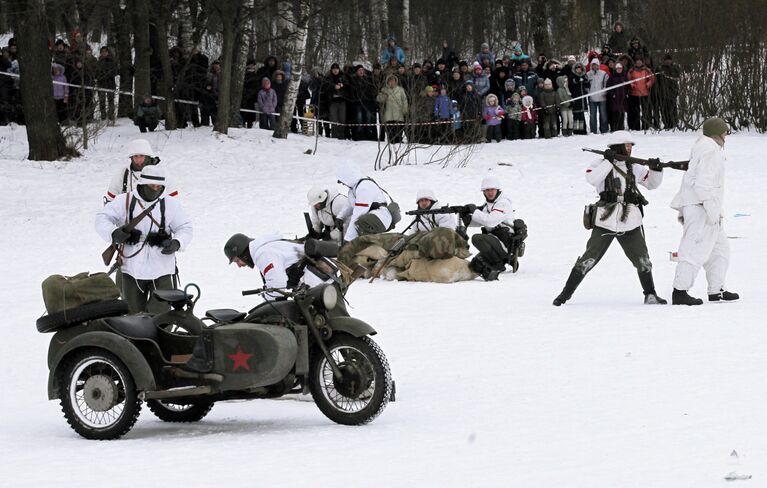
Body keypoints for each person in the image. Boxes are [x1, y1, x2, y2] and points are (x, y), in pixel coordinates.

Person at [552, 131, 666, 306]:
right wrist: (609, 162)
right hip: (605, 219)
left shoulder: (633, 166)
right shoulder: (599, 163)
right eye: (627, 145)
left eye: (631, 146)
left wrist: (656, 169)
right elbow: (592, 178)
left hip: (630, 221)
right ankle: (565, 294)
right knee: (588, 259)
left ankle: (650, 294)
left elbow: (652, 184)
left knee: (643, 259)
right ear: (618, 146)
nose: (630, 149)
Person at [95, 166, 193, 313]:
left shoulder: (171, 204)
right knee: (132, 316)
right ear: (142, 184)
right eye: (152, 186)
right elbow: (102, 218)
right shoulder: (124, 201)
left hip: (162, 268)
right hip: (130, 267)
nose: (156, 189)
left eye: (159, 186)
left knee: (161, 317)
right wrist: (113, 233)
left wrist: (177, 243)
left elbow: (185, 227)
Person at [670, 117, 739, 305]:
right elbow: (703, 184)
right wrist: (710, 210)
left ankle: (716, 290)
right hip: (702, 208)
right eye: (725, 132)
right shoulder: (710, 151)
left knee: (720, 251)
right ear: (718, 134)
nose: (726, 136)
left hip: (708, 209)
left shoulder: (706, 147)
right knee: (693, 250)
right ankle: (680, 291)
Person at [224, 232, 334, 300]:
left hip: (320, 286)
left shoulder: (263, 254)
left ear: (243, 254)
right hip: (323, 280)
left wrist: (265, 307)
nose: (239, 265)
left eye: (237, 260)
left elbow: (276, 284)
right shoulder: (266, 247)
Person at [461, 176, 527, 281]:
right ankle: (506, 260)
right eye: (487, 190)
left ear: (497, 190)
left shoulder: (503, 203)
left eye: (492, 190)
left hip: (505, 243)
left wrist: (474, 211)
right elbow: (482, 221)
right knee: (475, 264)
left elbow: (490, 221)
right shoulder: (488, 205)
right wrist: (468, 219)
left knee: (477, 238)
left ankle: (498, 264)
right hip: (495, 241)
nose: (490, 192)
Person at [336, 161, 398, 242]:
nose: (343, 184)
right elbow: (349, 205)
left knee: (360, 222)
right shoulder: (354, 189)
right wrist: (340, 217)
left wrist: (348, 240)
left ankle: (369, 248)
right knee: (354, 223)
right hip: (372, 217)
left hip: (381, 217)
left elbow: (359, 213)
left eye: (342, 181)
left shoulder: (365, 187)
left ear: (347, 177)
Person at [104, 139, 177, 204]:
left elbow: (174, 201)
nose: (138, 160)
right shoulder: (122, 174)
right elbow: (110, 201)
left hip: (156, 217)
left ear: (147, 156)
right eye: (135, 156)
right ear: (131, 158)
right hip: (128, 217)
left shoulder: (162, 173)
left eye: (141, 156)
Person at [586, 58, 609, 134]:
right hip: (592, 99)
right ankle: (593, 130)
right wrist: (589, 93)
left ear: (599, 65)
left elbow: (607, 84)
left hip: (602, 98)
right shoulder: (588, 74)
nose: (595, 66)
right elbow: (586, 86)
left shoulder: (604, 74)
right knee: (593, 116)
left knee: (603, 115)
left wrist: (604, 92)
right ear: (591, 66)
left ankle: (604, 129)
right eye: (593, 65)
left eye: (596, 65)